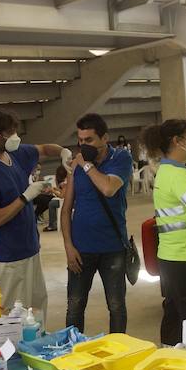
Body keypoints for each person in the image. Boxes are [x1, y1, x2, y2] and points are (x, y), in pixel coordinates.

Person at [0, 109, 66, 317]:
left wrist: (64, 153)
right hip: (7, 256)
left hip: (30, 247)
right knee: (13, 316)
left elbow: (46, 149)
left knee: (37, 311)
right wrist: (25, 197)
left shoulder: (16, 154)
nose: (15, 138)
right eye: (9, 133)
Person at [141, 119, 186, 345]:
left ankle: (169, 356)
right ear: (177, 141)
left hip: (175, 256)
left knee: (175, 314)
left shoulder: (171, 171)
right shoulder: (179, 175)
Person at [62, 113, 133, 333]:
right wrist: (68, 246)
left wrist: (85, 165)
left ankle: (119, 351)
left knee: (116, 306)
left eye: (89, 140)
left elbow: (108, 188)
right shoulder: (77, 167)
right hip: (81, 250)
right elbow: (66, 210)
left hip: (112, 248)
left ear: (104, 138)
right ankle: (73, 352)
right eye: (81, 141)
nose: (83, 146)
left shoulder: (120, 158)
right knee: (74, 306)